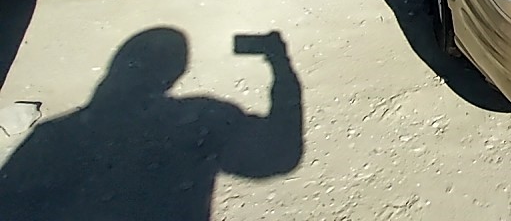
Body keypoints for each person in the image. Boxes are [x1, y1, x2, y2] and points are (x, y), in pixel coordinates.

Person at [0, 27, 302, 221]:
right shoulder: (202, 120)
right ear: (177, 73)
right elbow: (280, 155)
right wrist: (281, 65)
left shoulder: (52, 136)